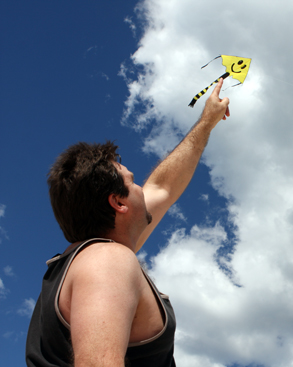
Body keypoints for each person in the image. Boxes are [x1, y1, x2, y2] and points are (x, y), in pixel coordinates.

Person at [26, 80, 230, 367]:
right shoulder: (107, 260)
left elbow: (163, 187)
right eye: (133, 182)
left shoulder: (83, 262)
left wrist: (207, 122)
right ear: (118, 203)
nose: (142, 190)